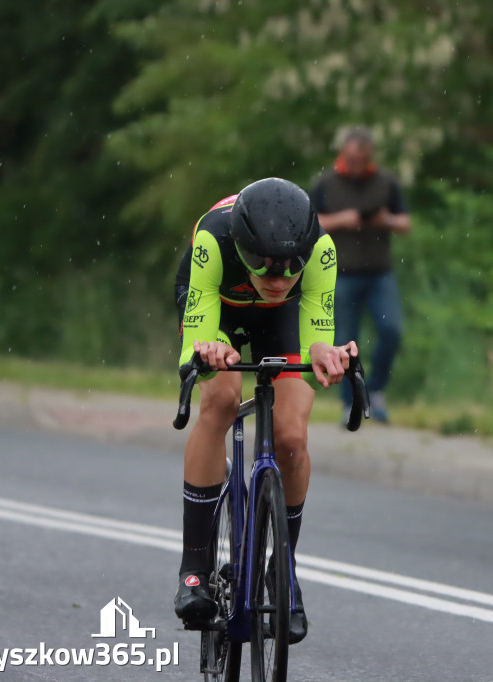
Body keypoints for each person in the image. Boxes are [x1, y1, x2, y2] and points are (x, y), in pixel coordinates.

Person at [172, 177, 358, 643]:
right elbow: (193, 344)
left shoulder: (321, 249)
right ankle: (194, 568)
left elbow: (318, 335)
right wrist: (206, 352)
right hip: (221, 310)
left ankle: (284, 569)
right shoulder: (213, 239)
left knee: (292, 436)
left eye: (290, 266)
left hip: (284, 321)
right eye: (262, 265)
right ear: (241, 247)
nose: (277, 278)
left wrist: (327, 356)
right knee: (220, 400)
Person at [311, 127, 411, 423]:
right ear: (343, 154)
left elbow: (405, 223)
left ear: (370, 156)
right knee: (343, 340)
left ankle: (376, 390)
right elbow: (308, 221)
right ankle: (350, 404)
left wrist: (386, 220)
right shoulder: (325, 184)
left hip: (379, 274)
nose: (357, 165)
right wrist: (340, 220)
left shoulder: (385, 183)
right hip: (339, 275)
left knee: (391, 330)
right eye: (352, 159)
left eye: (363, 159)